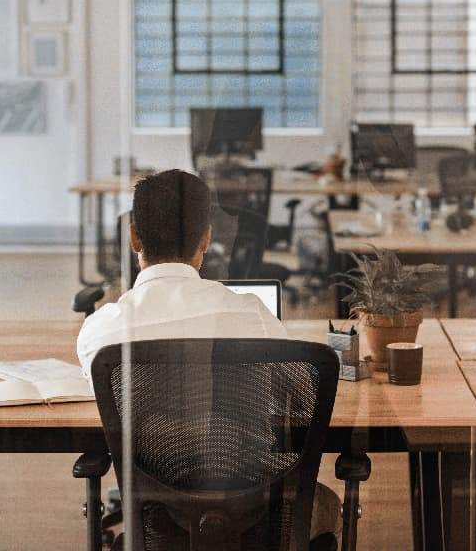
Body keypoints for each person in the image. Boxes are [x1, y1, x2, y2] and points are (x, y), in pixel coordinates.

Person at [75, 169, 340, 542]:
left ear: (134, 236)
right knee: (324, 502)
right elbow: (300, 391)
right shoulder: (251, 314)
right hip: (253, 517)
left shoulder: (102, 332)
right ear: (207, 237)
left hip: (159, 523)